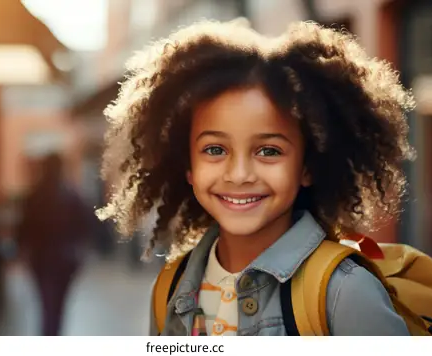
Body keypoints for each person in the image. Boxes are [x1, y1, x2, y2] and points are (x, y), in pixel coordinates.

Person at [95, 19, 415, 336]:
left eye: (269, 151)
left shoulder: (345, 293)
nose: (240, 174)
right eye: (215, 149)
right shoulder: (168, 288)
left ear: (306, 167)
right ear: (188, 165)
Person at [17, 153, 92, 336]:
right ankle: (54, 335)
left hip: (41, 259)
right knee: (58, 305)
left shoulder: (33, 195)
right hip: (66, 259)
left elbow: (23, 230)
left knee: (47, 305)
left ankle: (49, 336)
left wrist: (22, 252)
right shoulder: (73, 196)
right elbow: (85, 229)